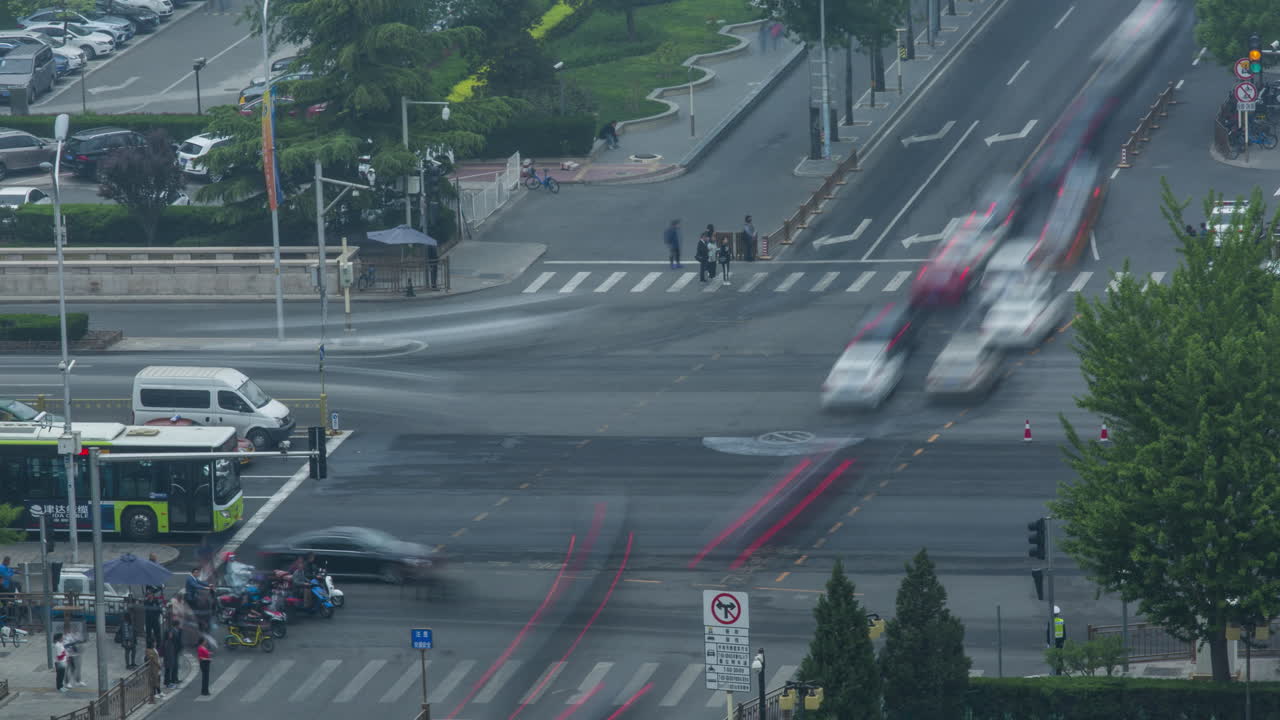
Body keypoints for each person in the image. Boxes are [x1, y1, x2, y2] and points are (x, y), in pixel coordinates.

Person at [162, 620, 182, 688]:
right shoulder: (171, 632)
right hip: (171, 652)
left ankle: (173, 680)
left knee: (174, 666)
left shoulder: (176, 631)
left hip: (173, 651)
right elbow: (174, 641)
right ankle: (169, 681)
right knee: (170, 666)